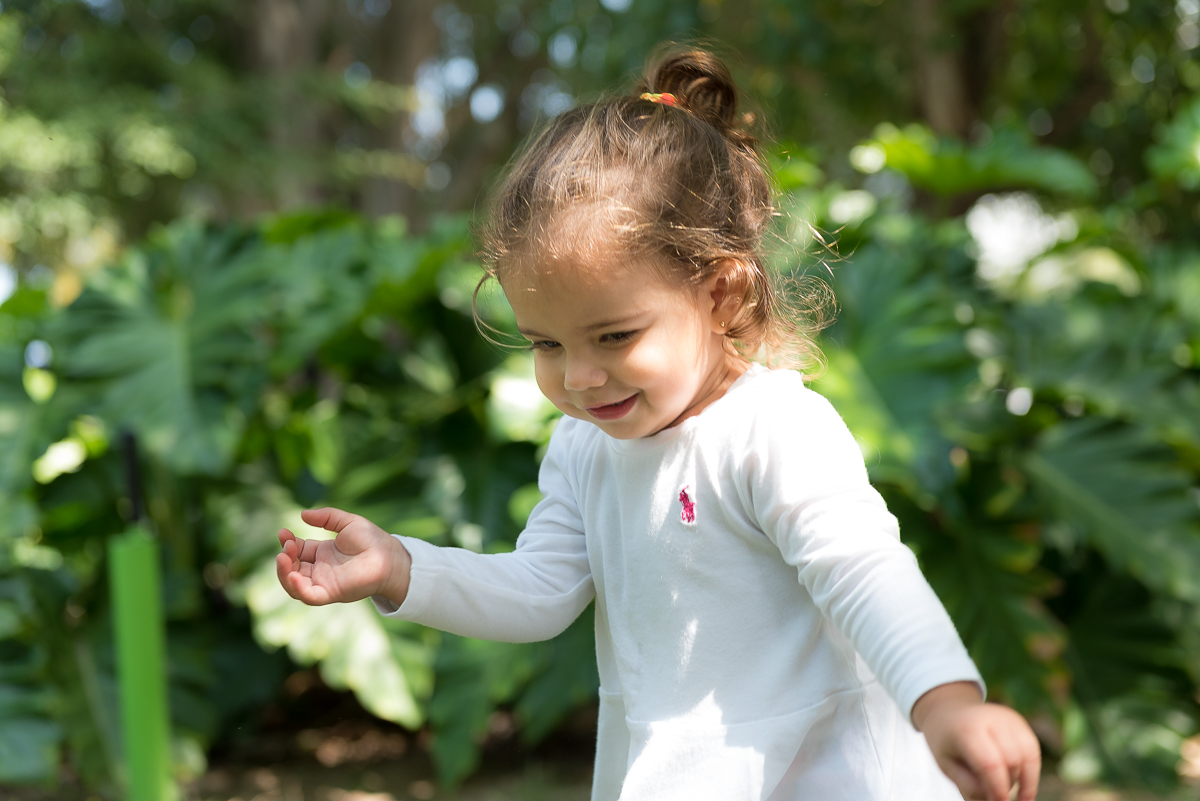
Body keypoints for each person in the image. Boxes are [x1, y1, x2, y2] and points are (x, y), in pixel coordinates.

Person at [275, 48, 1041, 801]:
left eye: (614, 336)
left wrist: (946, 702)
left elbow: (863, 572)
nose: (577, 377)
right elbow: (541, 588)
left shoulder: (771, 431)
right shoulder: (585, 445)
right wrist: (403, 566)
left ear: (721, 295)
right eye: (547, 342)